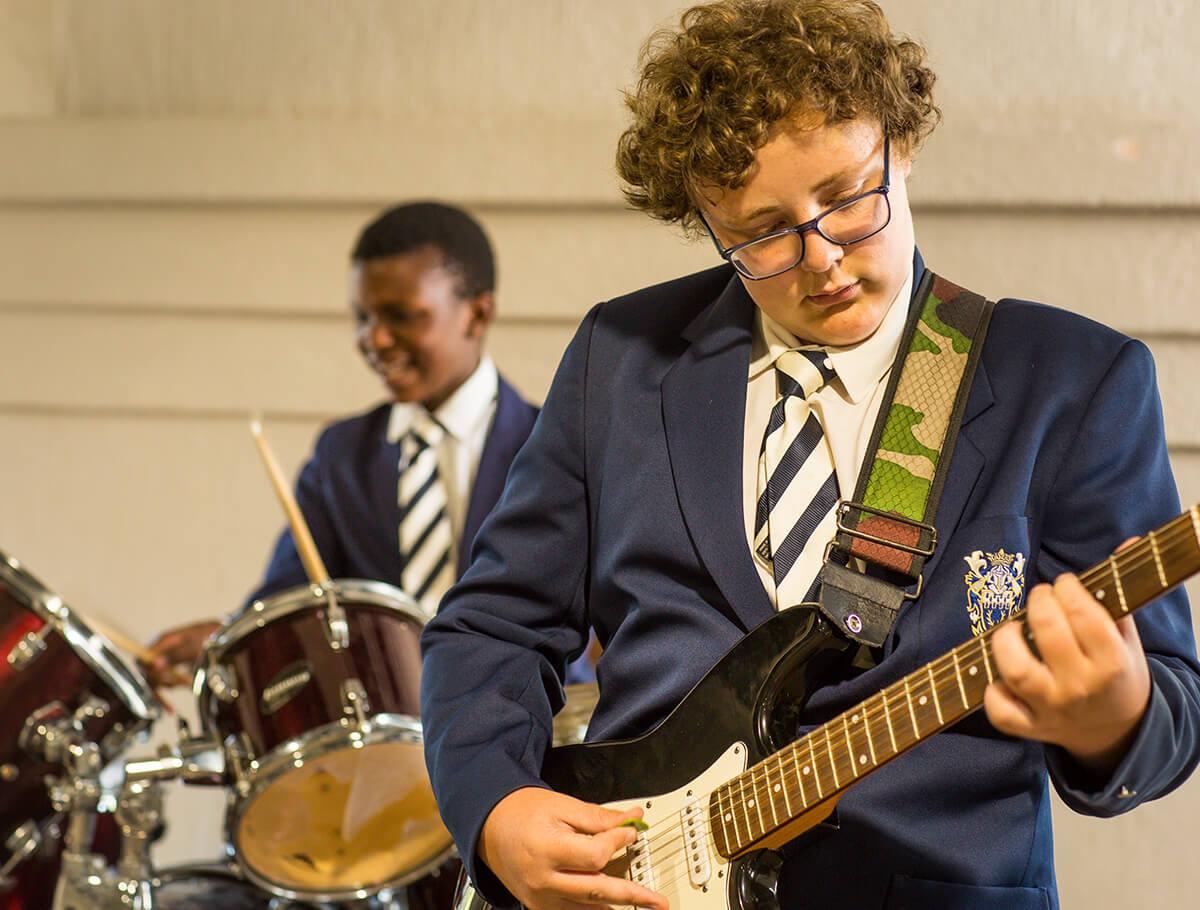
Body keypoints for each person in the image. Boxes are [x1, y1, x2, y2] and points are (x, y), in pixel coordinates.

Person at [418, 3, 1200, 909]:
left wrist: (1117, 718)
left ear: (903, 146)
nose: (821, 257)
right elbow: (493, 627)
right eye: (762, 234)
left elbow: (1172, 708)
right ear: (710, 224)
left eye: (848, 198)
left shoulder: (1073, 380)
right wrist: (496, 808)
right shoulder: (621, 360)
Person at [147, 201, 591, 685]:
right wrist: (225, 638)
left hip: (540, 721)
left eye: (402, 316)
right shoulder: (341, 456)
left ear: (477, 314)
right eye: (362, 316)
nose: (374, 339)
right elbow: (289, 599)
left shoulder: (555, 448)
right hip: (387, 719)